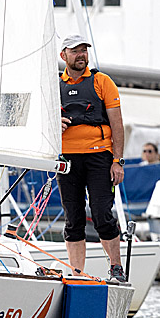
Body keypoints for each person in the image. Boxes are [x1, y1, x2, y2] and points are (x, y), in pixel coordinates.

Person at [58, 34, 127, 282]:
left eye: (84, 50)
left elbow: (117, 124)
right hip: (67, 160)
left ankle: (116, 268)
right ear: (63, 55)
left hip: (99, 156)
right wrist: (54, 124)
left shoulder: (102, 81)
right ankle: (77, 274)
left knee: (101, 214)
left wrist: (117, 161)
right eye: (75, 51)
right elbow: (40, 121)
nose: (81, 55)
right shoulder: (54, 86)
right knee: (73, 219)